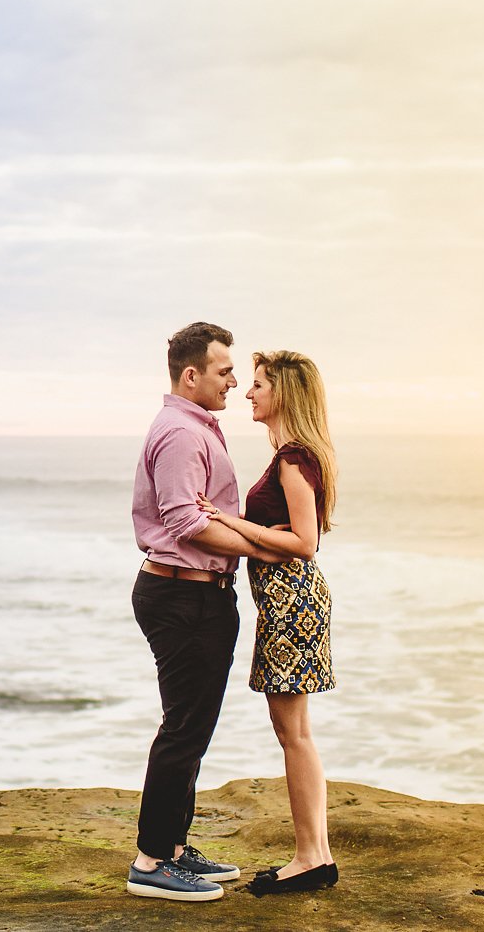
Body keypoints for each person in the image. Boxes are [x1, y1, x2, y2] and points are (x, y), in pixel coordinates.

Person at [126, 322, 286, 902]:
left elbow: (202, 516)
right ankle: (150, 860)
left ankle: (171, 847)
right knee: (184, 727)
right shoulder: (179, 433)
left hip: (197, 593)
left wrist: (238, 540)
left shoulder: (195, 428)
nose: (234, 382)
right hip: (181, 593)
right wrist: (264, 546)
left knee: (193, 724)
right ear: (190, 375)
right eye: (224, 372)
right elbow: (186, 521)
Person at [198, 350, 339, 895]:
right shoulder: (292, 455)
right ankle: (316, 854)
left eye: (258, 384)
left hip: (291, 601)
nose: (248, 392)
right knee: (295, 732)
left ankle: (310, 858)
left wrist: (230, 521)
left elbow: (304, 543)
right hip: (285, 601)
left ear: (284, 393)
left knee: (294, 733)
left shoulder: (293, 458)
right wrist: (255, 533)